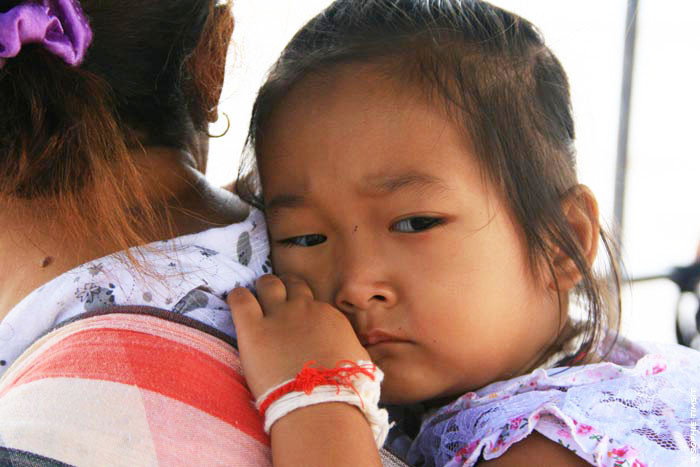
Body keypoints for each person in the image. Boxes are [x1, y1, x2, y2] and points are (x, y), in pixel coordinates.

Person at [228, 0, 700, 466]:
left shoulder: (554, 443)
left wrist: (315, 402)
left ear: (563, 241)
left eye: (415, 224)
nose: (355, 285)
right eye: (305, 238)